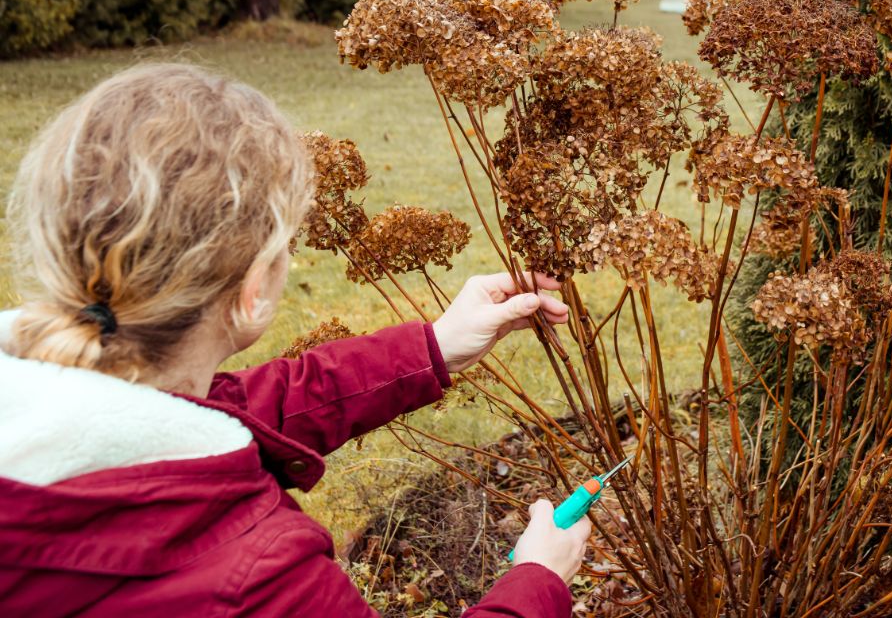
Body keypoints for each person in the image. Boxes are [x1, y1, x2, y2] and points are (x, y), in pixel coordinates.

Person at [0, 64, 591, 617]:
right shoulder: (260, 580)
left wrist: (433, 346)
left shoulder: (46, 406)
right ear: (253, 289)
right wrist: (538, 580)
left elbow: (231, 412)